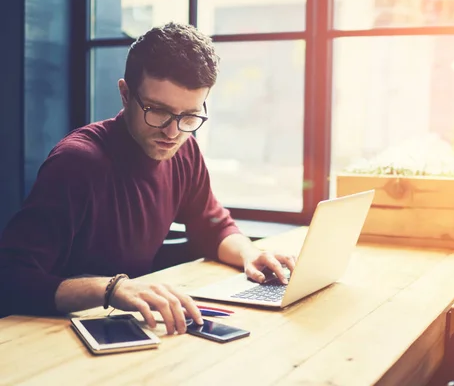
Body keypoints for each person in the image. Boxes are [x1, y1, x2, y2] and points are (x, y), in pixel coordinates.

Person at [0, 22, 296, 335]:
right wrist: (112, 288)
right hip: (49, 332)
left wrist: (250, 254)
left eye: (190, 116)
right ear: (125, 94)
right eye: (157, 111)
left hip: (127, 327)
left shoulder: (185, 150)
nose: (172, 132)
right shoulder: (77, 163)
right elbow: (11, 277)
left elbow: (214, 226)